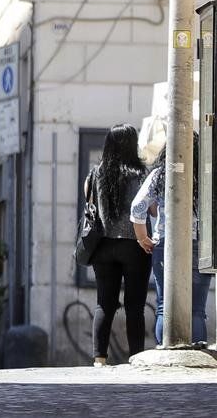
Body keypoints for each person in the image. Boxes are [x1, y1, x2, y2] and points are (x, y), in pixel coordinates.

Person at [131, 134, 212, 345]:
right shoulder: (207, 173)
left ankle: (166, 347)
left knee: (164, 305)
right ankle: (198, 349)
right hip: (201, 246)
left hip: (166, 244)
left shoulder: (160, 174)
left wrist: (142, 238)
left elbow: (137, 206)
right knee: (197, 308)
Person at [87, 123, 151, 366]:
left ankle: (99, 359)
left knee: (105, 303)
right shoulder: (140, 174)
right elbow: (149, 208)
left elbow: (89, 203)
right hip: (134, 245)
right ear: (132, 145)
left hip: (102, 245)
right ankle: (135, 357)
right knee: (135, 306)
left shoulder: (96, 173)